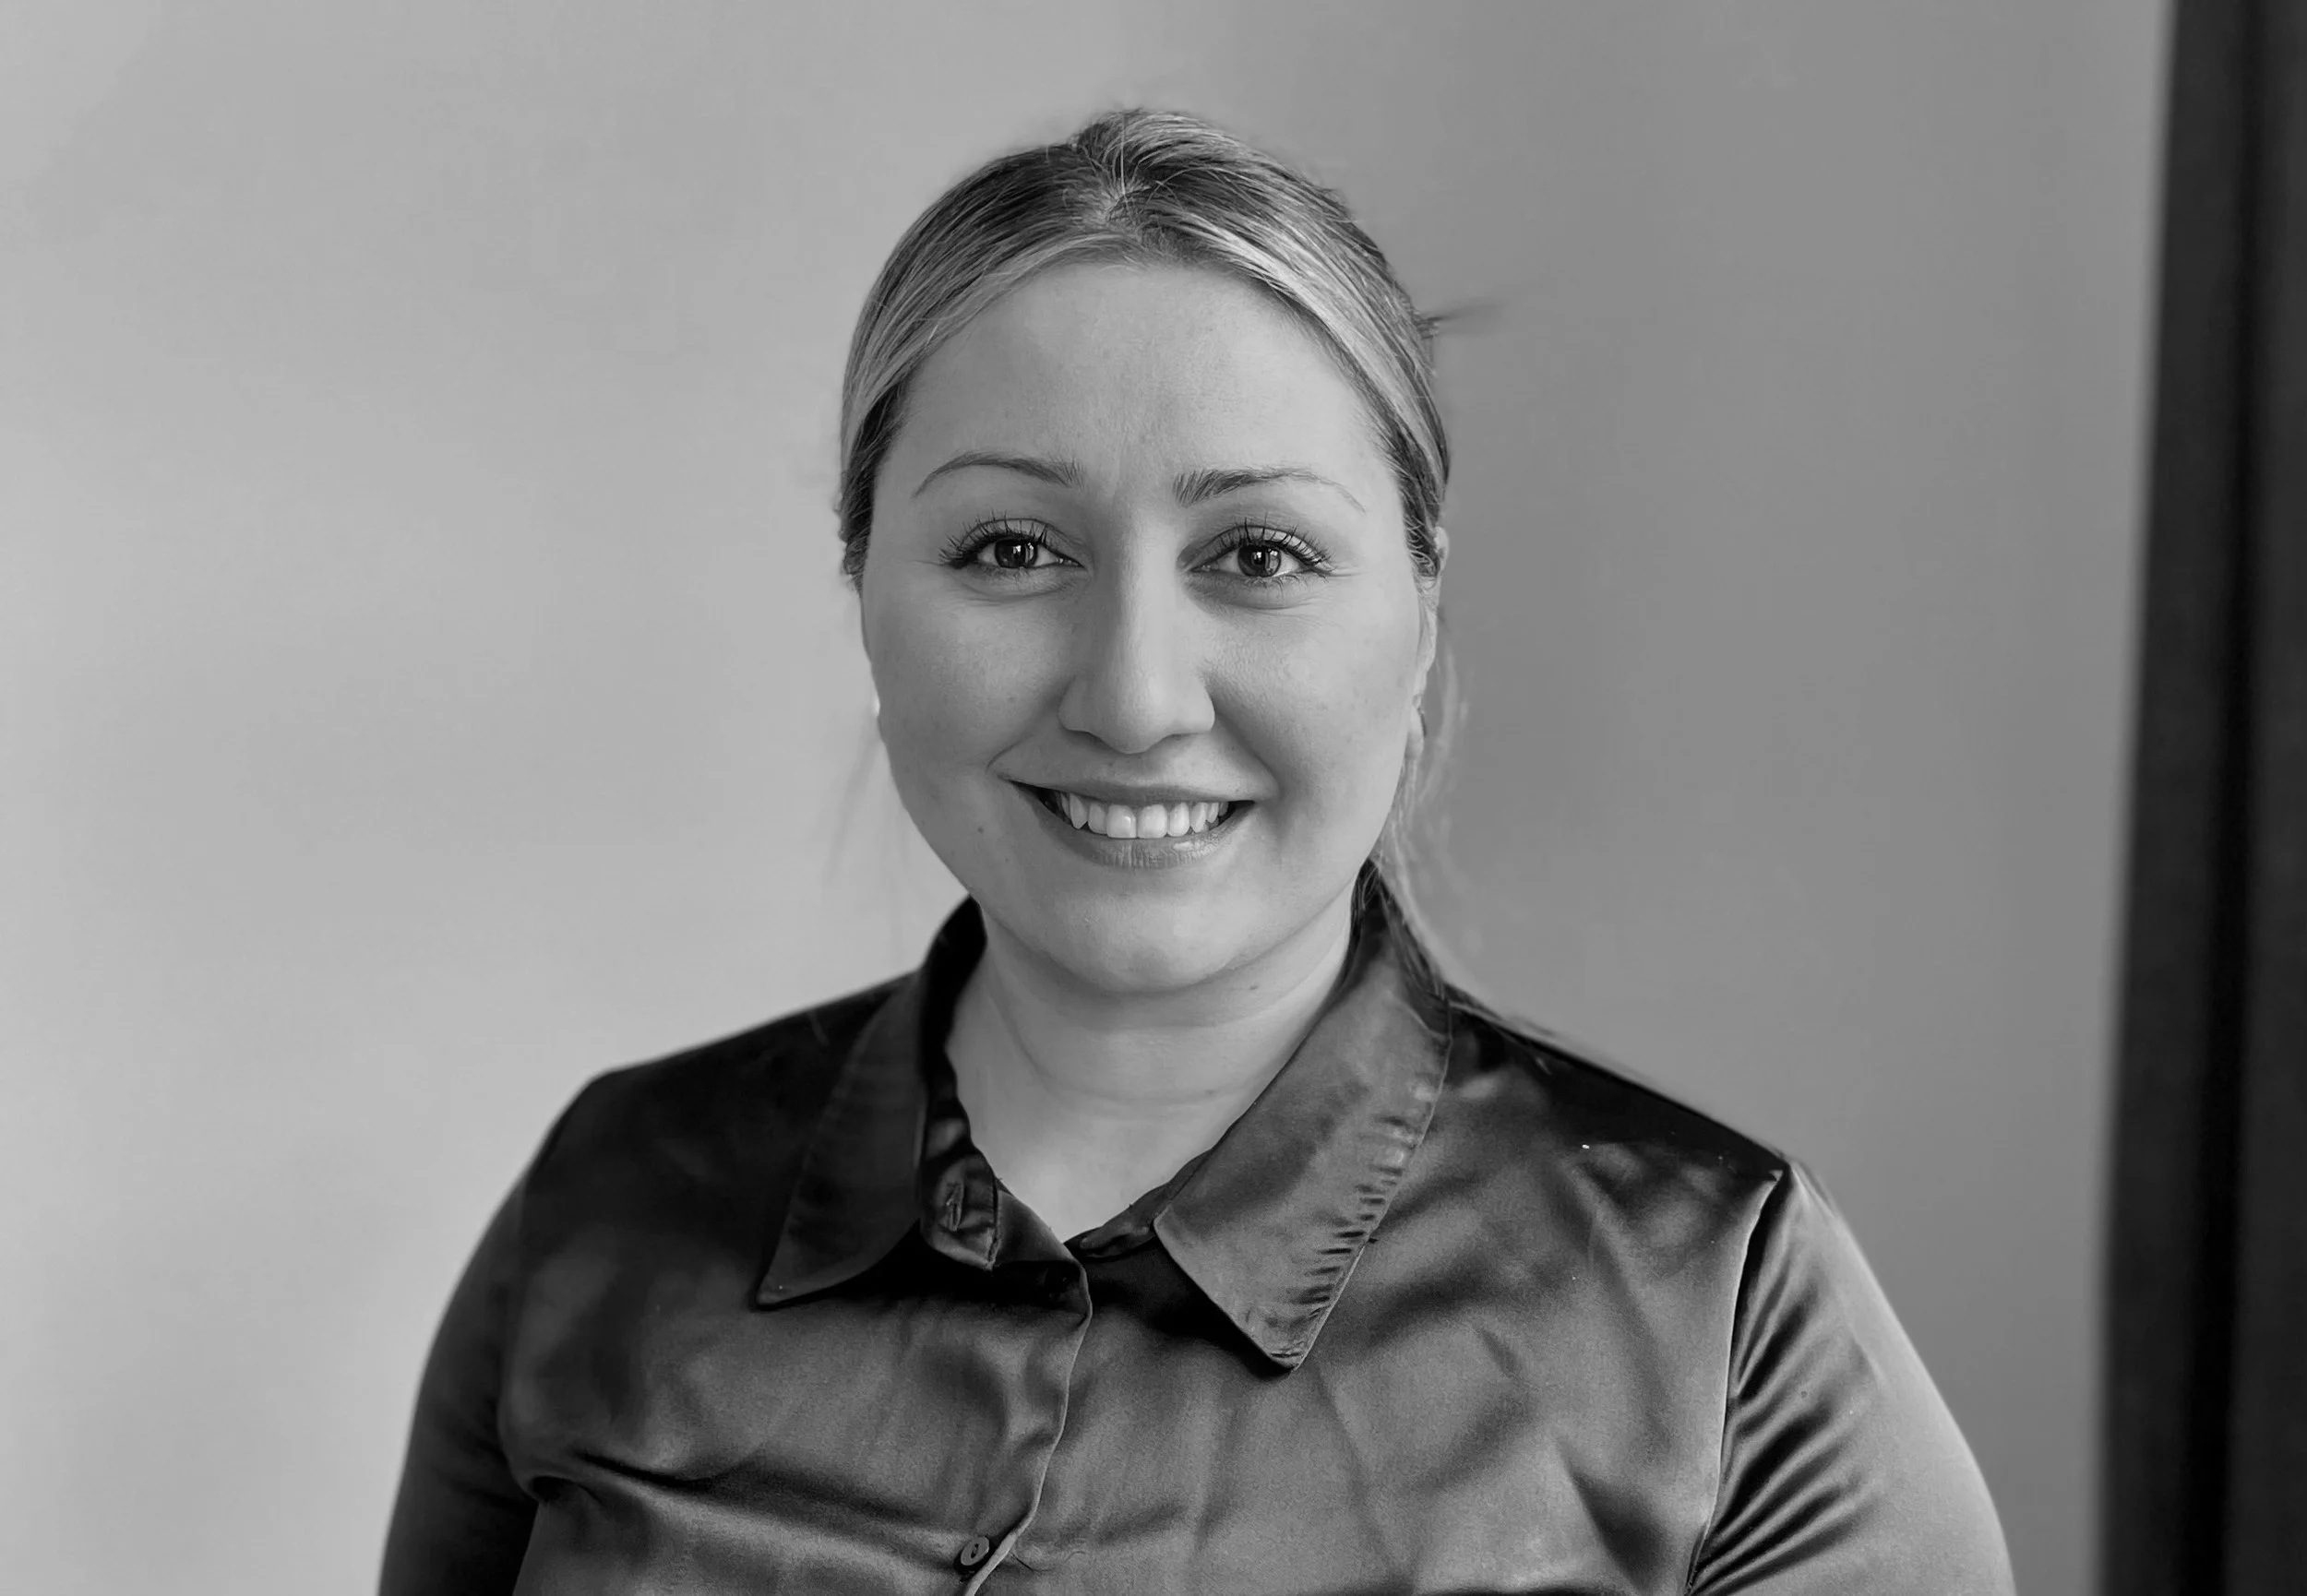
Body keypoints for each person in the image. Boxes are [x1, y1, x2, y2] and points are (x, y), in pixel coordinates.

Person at [381, 109, 2014, 1594]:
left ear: (1420, 611)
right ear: (864, 587)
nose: (1136, 696)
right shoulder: (603, 1205)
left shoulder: (1719, 1315)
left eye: (1260, 553)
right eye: (1010, 547)